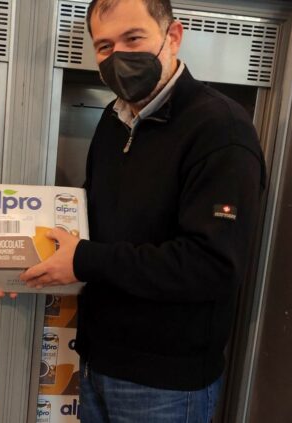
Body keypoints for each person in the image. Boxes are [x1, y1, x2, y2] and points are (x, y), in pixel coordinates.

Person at [20, 0, 265, 420]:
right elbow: (89, 222)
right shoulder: (113, 120)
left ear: (173, 36)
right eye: (104, 46)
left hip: (164, 384)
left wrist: (84, 260)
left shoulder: (220, 129)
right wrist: (15, 265)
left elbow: (212, 265)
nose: (118, 57)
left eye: (133, 38)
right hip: (96, 361)